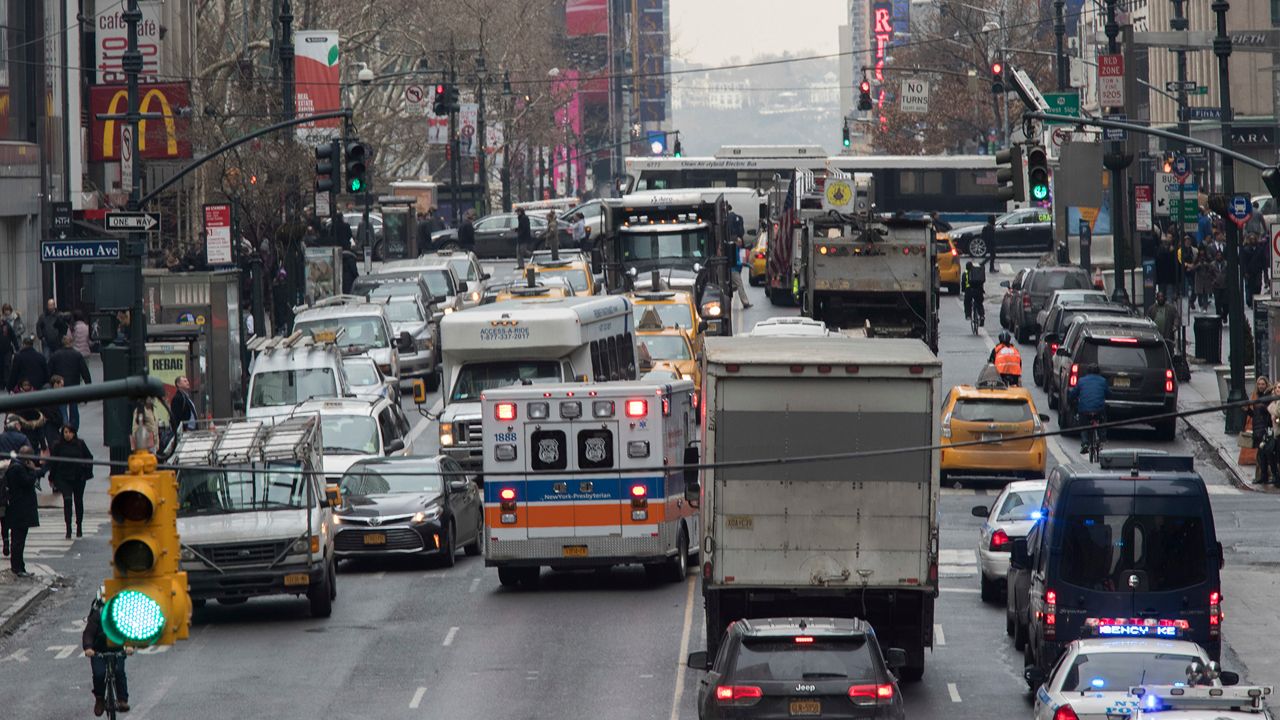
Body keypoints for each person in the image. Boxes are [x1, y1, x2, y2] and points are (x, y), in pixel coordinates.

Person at [83, 591, 132, 715]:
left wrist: (129, 646)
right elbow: (88, 633)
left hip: (117, 650)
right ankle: (99, 699)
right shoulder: (96, 616)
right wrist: (88, 648)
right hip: (98, 651)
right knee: (99, 674)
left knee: (119, 672)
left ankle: (122, 700)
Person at [4, 444, 42, 577]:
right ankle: (17, 568)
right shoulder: (18, 469)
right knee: (18, 541)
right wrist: (32, 470)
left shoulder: (16, 466)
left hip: (18, 510)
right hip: (20, 511)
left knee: (19, 540)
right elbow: (27, 482)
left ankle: (20, 566)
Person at [50, 423, 91, 538]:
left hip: (78, 477)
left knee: (78, 501)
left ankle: (79, 526)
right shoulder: (58, 445)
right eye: (65, 432)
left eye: (70, 432)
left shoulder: (80, 444)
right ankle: (68, 528)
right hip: (64, 478)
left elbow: (89, 457)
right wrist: (52, 477)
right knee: (67, 500)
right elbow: (54, 462)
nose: (68, 435)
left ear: (74, 433)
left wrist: (86, 471)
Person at [49, 335, 90, 428]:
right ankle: (73, 427)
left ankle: (65, 425)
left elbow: (50, 370)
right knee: (74, 407)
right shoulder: (77, 355)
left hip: (60, 385)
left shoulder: (55, 355)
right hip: (74, 384)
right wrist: (88, 385)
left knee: (62, 407)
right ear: (72, 343)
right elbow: (84, 371)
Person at [1069, 363, 1109, 454]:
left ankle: (1085, 443)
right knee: (1103, 419)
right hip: (1099, 409)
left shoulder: (1081, 381)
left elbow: (1073, 394)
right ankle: (1102, 438)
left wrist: (1070, 399)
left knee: (1083, 425)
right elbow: (1109, 393)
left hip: (1084, 410)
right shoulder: (1103, 381)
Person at [1249, 376, 1274, 485]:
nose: (1260, 386)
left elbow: (1268, 413)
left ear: (1266, 385)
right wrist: (1247, 411)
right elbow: (1255, 415)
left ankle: (1267, 476)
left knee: (1265, 453)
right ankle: (1263, 476)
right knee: (1261, 454)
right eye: (1259, 384)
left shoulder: (1268, 398)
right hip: (1257, 428)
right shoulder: (1258, 396)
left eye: (1262, 384)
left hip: (1265, 429)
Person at [1154, 233, 1178, 300]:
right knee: (1162, 294)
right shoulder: (1160, 249)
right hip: (1162, 277)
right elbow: (1159, 260)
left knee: (1169, 295)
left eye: (1170, 237)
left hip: (1169, 278)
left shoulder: (1173, 250)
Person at [0, 303, 18, 392]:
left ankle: (7, 383)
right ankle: (1, 384)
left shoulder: (6, 325)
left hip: (7, 350)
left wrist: (17, 348)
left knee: (7, 366)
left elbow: (13, 337)